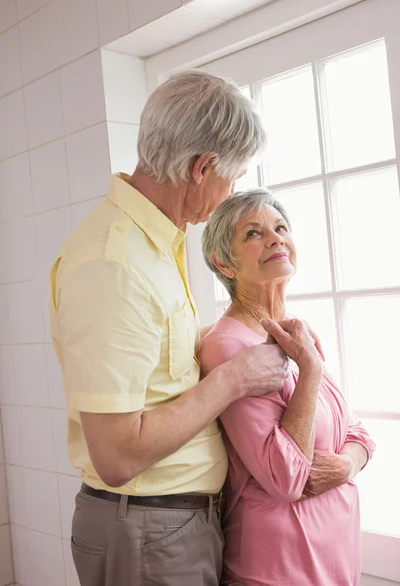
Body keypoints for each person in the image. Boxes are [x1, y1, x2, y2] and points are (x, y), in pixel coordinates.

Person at [49, 71, 290, 586]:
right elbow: (115, 455)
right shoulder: (116, 263)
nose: (233, 190)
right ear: (202, 168)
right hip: (147, 530)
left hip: (165, 526)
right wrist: (234, 379)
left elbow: (149, 372)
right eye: (234, 175)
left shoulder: (158, 240)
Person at [199, 189, 375, 586]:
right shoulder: (228, 346)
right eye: (253, 234)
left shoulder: (297, 332)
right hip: (276, 569)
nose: (276, 238)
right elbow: (286, 478)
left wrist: (346, 465)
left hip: (336, 566)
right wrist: (309, 367)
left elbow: (359, 433)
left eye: (280, 228)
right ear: (223, 264)